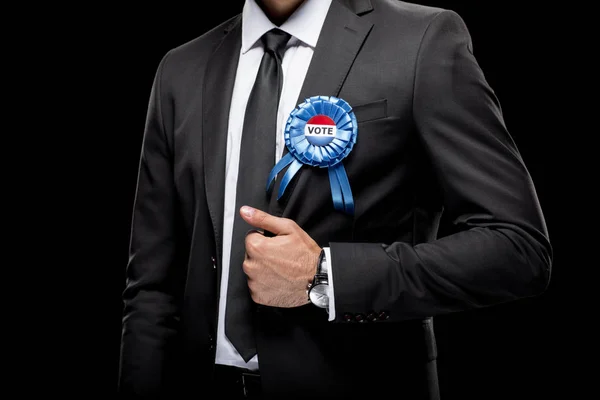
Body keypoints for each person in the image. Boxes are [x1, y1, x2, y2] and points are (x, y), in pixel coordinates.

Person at [118, 0, 552, 398]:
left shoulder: (422, 40)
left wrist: (326, 277)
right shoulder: (181, 68)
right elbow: (152, 290)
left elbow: (518, 247)